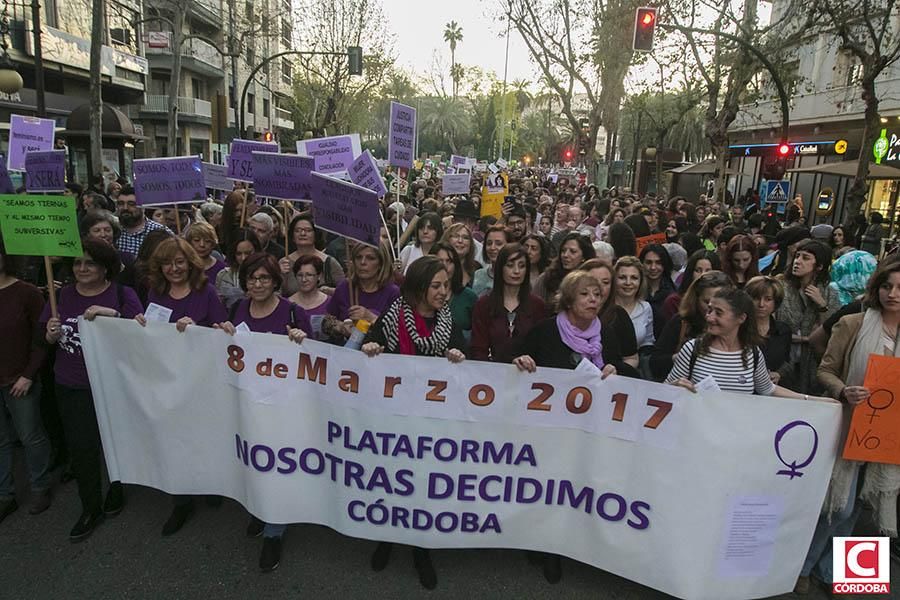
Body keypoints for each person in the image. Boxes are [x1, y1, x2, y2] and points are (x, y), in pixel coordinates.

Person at [361, 256, 466, 590]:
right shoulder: (394, 316)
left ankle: (421, 548)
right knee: (394, 480)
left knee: (423, 485)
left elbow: (465, 364)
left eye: (446, 285)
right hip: (395, 417)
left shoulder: (447, 320)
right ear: (420, 287)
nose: (442, 292)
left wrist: (457, 358)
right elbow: (368, 345)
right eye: (435, 286)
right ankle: (387, 537)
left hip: (432, 421)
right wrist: (372, 346)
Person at [797, 260, 900, 594]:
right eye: (887, 286)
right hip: (849, 425)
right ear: (876, 288)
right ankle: (803, 567)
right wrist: (843, 389)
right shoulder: (853, 323)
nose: (893, 294)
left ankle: (838, 575)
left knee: (867, 505)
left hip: (891, 432)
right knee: (838, 505)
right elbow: (824, 370)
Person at [512, 270, 617, 584]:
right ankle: (541, 545)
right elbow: (515, 358)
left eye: (597, 295)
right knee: (545, 487)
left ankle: (561, 545)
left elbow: (616, 372)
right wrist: (522, 361)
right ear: (570, 298)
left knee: (573, 487)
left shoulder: (605, 334)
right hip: (548, 427)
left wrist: (614, 369)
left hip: (586, 428)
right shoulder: (545, 331)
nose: (592, 301)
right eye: (585, 294)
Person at [41, 240, 143, 540]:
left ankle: (117, 487)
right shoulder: (60, 295)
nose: (82, 269)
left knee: (116, 440)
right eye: (77, 263)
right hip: (72, 385)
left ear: (105, 267)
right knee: (82, 447)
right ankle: (90, 507)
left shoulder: (123, 294)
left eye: (90, 263)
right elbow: (43, 336)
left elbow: (142, 336)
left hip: (113, 384)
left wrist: (113, 316)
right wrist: (49, 335)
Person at [214, 252, 310, 572]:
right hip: (247, 403)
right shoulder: (238, 308)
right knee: (253, 460)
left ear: (275, 282)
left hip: (282, 407)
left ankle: (274, 531)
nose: (257, 284)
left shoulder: (293, 312)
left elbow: (314, 360)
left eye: (264, 278)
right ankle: (258, 509)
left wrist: (301, 339)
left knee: (276, 465)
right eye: (252, 278)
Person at [135, 237, 228, 536]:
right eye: (167, 263)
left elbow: (222, 333)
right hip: (167, 382)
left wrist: (198, 331)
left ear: (190, 263)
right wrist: (139, 325)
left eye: (179, 262)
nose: (173, 269)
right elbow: (151, 337)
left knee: (202, 436)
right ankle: (181, 500)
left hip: (200, 382)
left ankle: (210, 484)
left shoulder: (207, 292)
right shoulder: (155, 292)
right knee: (174, 439)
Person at [665, 288, 832, 398]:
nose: (709, 317)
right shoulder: (693, 349)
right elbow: (663, 391)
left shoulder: (753, 354)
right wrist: (675, 386)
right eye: (709, 310)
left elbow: (768, 389)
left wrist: (813, 400)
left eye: (718, 313)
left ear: (741, 318)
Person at [0, 238, 52, 522]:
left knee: (30, 436)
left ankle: (40, 486)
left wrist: (28, 375)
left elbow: (41, 340)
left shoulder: (27, 292)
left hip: (20, 380)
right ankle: (4, 494)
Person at [775, 239, 840, 394]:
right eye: (797, 256)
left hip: (812, 364)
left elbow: (834, 332)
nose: (797, 261)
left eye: (805, 258)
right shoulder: (780, 287)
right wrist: (806, 339)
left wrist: (822, 306)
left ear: (819, 266)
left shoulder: (830, 293)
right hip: (782, 360)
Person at [651, 271, 733, 381]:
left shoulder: (738, 328)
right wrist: (682, 357)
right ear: (696, 299)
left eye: (720, 305)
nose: (712, 311)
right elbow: (655, 363)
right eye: (707, 302)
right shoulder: (681, 322)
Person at [470, 243, 546, 363]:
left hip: (528, 375)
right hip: (490, 374)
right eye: (510, 266)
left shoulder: (537, 306)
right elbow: (478, 350)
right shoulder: (484, 304)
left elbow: (541, 348)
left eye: (522, 266)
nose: (516, 271)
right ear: (501, 268)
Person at [322, 242, 399, 344]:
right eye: (358, 257)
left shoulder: (393, 292)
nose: (363, 262)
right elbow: (326, 320)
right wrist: (340, 327)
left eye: (370, 258)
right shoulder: (344, 287)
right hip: (344, 352)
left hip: (378, 355)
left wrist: (371, 317)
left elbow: (399, 332)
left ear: (381, 263)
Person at [579, 259, 639, 377]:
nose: (600, 288)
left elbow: (631, 358)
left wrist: (616, 372)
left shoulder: (618, 315)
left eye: (605, 282)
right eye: (593, 281)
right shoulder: (561, 319)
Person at [279, 213, 345, 296]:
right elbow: (276, 293)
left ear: (316, 234)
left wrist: (330, 291)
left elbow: (345, 292)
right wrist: (280, 275)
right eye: (297, 230)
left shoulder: (329, 262)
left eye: (308, 230)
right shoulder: (285, 263)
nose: (302, 234)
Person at [744, 276, 792, 384]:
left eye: (768, 299)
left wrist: (779, 373)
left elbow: (787, 361)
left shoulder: (783, 330)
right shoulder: (738, 328)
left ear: (776, 302)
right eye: (756, 298)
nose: (761, 304)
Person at [431, 242, 478, 342]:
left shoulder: (469, 296)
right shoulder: (422, 296)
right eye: (439, 261)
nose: (444, 266)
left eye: (449, 261)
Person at [532, 232, 596, 305]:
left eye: (573, 252)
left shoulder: (591, 280)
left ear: (584, 257)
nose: (565, 255)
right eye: (563, 250)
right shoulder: (547, 277)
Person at [614, 256, 655, 368]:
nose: (628, 282)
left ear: (641, 281)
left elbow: (648, 341)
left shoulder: (646, 308)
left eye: (634, 278)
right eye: (622, 277)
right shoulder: (605, 307)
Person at [80, 210, 136, 287]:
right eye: (97, 231)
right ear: (87, 234)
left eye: (107, 230)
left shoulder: (127, 259)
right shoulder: (79, 259)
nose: (103, 235)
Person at [115, 185, 172, 257]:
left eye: (131, 204)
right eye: (121, 204)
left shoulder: (161, 232)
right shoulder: (112, 231)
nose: (125, 208)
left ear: (143, 206)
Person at [216, 229, 262, 310]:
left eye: (248, 253)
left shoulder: (267, 275)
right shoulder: (223, 275)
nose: (243, 258)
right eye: (239, 254)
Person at [286, 255, 331, 339]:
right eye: (300, 275)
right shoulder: (287, 304)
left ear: (319, 276)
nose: (304, 279)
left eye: (309, 275)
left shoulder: (331, 303)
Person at [640, 244, 675, 338]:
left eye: (658, 262)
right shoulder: (633, 291)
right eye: (648, 262)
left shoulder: (673, 293)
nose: (653, 267)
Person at [472, 225, 511, 296]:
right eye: (489, 243)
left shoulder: (515, 276)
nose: (492, 248)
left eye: (498, 244)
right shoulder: (478, 275)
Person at [441, 223, 481, 288]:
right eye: (456, 236)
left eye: (465, 238)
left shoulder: (477, 268)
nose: (460, 241)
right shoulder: (439, 264)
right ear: (447, 240)